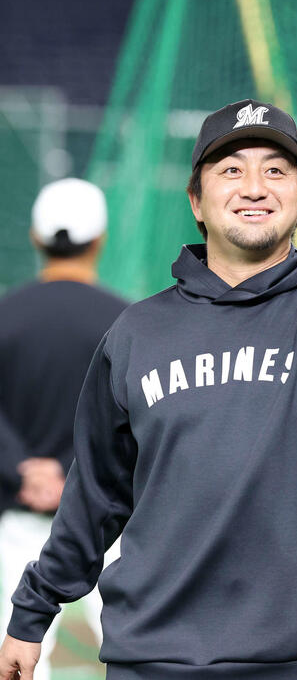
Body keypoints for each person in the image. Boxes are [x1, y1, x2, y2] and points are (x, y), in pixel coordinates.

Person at [0, 25, 297, 680]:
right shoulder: (136, 333)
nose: (254, 185)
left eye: (275, 171)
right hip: (155, 660)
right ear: (196, 201)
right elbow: (96, 496)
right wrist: (32, 612)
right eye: (230, 170)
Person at [0, 178, 129, 680]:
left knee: (14, 659)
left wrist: (22, 468)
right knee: (138, 652)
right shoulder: (128, 321)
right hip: (110, 521)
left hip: (15, 513)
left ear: (36, 237)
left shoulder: (5, 314)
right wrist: (71, 473)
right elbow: (132, 420)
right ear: (100, 240)